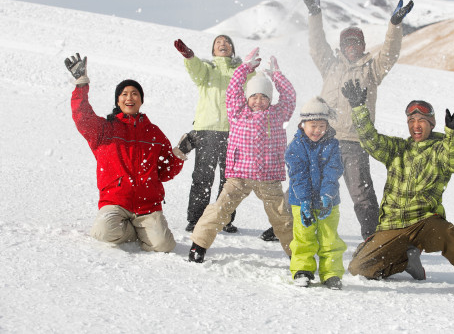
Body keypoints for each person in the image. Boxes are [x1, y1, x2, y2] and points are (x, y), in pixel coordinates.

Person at [341, 79, 454, 299]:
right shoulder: (398, 149)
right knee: (359, 268)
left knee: (453, 234)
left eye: (422, 120)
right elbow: (371, 141)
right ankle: (406, 260)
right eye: (411, 120)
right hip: (392, 225)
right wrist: (358, 109)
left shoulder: (440, 148)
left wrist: (453, 132)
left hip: (425, 221)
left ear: (432, 123)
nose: (416, 124)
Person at [302, 0, 414, 240]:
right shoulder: (330, 65)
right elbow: (317, 45)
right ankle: (286, 226)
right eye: (347, 43)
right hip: (325, 139)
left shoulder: (372, 69)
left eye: (356, 43)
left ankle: (373, 239)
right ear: (342, 47)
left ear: (362, 46)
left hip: (354, 141)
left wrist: (394, 25)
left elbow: (390, 53)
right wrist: (314, 13)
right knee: (307, 185)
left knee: (362, 195)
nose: (352, 46)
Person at [66, 53, 183, 252]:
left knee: (164, 245)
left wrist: (179, 154)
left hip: (147, 205)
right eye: (124, 94)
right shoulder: (104, 129)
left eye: (135, 93)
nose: (130, 97)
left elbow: (164, 172)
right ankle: (134, 232)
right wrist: (80, 84)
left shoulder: (154, 133)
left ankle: (144, 229)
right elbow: (82, 116)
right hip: (116, 201)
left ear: (141, 100)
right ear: (118, 101)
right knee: (103, 232)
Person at [188, 49, 296, 263]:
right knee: (219, 211)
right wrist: (245, 68)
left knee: (282, 218)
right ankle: (197, 246)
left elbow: (290, 97)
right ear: (247, 98)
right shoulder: (237, 112)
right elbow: (232, 89)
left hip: (269, 178)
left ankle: (298, 256)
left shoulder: (278, 114)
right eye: (253, 96)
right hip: (239, 177)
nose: (258, 100)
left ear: (269, 99)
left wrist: (276, 76)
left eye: (263, 96)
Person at [173, 35, 253, 234]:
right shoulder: (207, 70)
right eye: (218, 43)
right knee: (203, 177)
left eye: (226, 42)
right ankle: (196, 219)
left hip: (233, 131)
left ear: (232, 49)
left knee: (230, 180)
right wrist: (189, 57)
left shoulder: (239, 71)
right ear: (213, 51)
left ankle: (224, 218)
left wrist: (250, 67)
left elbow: (253, 88)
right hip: (206, 130)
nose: (222, 44)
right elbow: (196, 70)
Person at [285, 97, 346, 289]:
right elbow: (297, 175)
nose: (317, 130)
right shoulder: (295, 147)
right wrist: (304, 200)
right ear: (303, 124)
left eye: (322, 125)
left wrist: (327, 195)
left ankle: (332, 273)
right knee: (304, 236)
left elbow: (333, 171)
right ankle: (303, 270)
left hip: (329, 201)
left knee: (329, 237)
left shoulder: (332, 145)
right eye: (313, 125)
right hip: (300, 201)